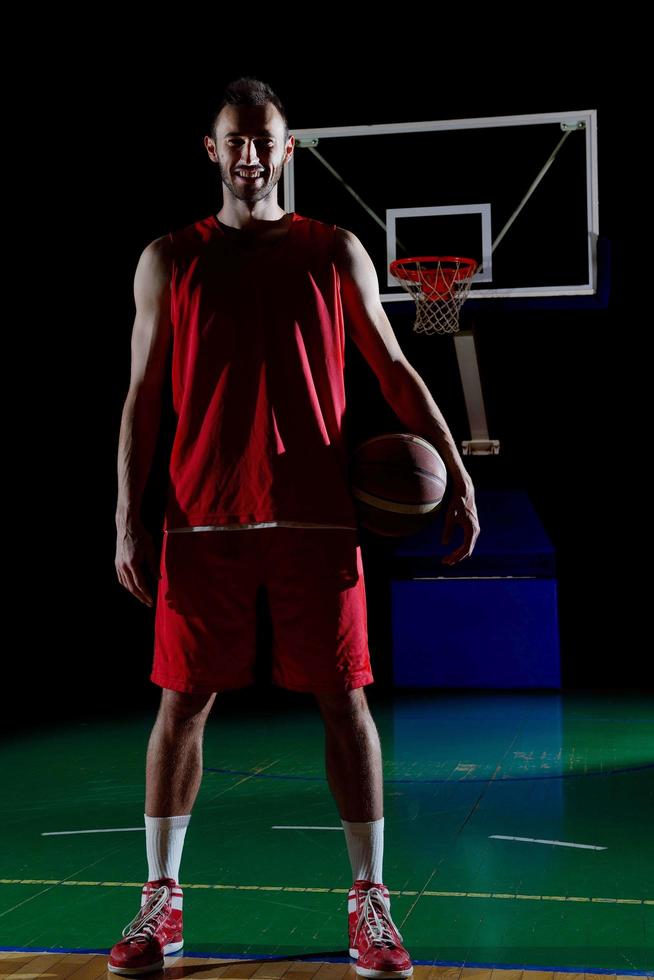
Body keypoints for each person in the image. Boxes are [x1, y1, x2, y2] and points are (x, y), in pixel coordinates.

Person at [112, 76, 480, 977]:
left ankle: (371, 901)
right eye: (233, 139)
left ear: (288, 147)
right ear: (212, 148)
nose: (248, 154)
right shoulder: (169, 258)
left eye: (264, 139)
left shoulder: (335, 250)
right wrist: (128, 514)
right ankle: (161, 903)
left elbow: (392, 367)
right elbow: (144, 395)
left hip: (317, 515)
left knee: (343, 700)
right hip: (202, 518)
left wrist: (457, 467)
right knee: (182, 704)